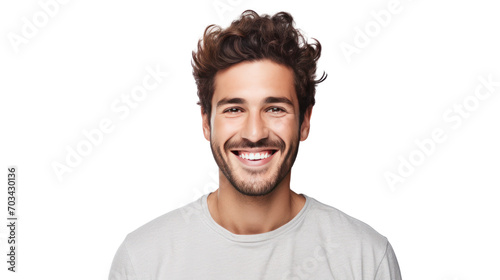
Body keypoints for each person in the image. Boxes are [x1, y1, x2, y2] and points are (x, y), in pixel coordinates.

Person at [109, 10, 402, 280]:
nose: (254, 132)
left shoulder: (366, 257)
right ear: (206, 122)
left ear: (304, 121)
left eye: (274, 108)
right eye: (234, 109)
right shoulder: (143, 260)